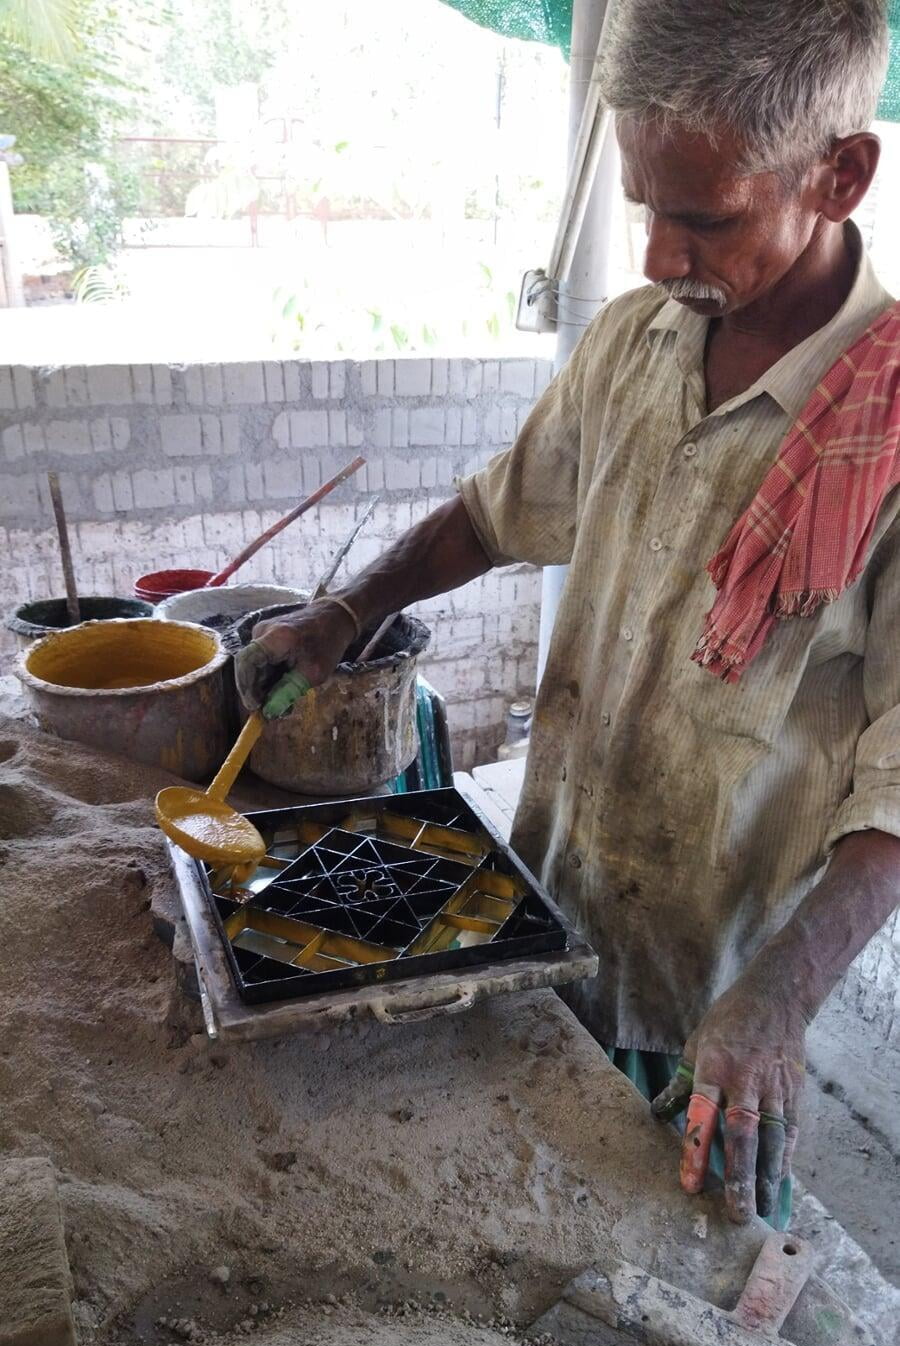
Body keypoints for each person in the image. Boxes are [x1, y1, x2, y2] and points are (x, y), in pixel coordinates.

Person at [237, 0, 900, 1230]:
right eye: (647, 205)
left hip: (714, 995)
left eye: (703, 217)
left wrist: (783, 996)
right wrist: (347, 607)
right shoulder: (636, 342)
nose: (656, 254)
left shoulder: (888, 428)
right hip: (550, 904)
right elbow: (495, 514)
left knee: (671, 1279)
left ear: (840, 174)